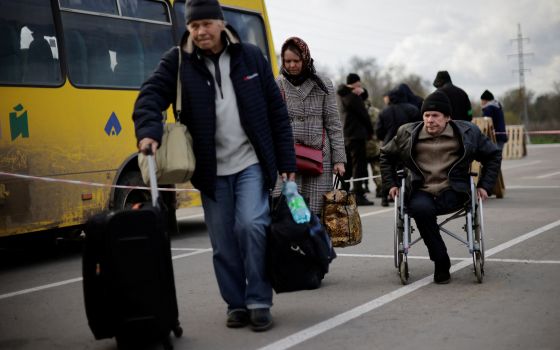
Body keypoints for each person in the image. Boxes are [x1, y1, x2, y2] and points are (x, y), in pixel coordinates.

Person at [132, 0, 296, 332]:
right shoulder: (178, 60)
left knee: (252, 226)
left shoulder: (251, 57)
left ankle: (259, 300)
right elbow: (150, 95)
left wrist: (286, 160)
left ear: (221, 23)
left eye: (206, 23)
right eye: (194, 26)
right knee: (223, 241)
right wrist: (149, 132)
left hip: (250, 162)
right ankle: (236, 303)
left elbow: (277, 112)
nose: (200, 31)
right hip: (211, 169)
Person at [380, 91, 502, 284]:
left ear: (447, 117)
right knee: (420, 210)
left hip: (454, 190)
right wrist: (392, 184)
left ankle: (441, 258)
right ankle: (441, 261)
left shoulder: (467, 132)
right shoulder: (407, 133)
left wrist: (485, 186)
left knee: (427, 210)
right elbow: (386, 155)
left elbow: (493, 155)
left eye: (435, 115)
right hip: (421, 189)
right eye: (426, 115)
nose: (430, 120)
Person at [273, 37, 346, 215]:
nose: (292, 65)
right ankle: (291, 243)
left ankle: (316, 242)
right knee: (288, 208)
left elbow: (333, 123)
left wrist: (339, 159)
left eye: (296, 61)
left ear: (305, 59)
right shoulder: (277, 84)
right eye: (287, 61)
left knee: (317, 210)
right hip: (287, 156)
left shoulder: (323, 84)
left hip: (318, 156)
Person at [375, 86, 421, 206]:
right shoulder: (413, 109)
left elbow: (379, 131)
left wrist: (385, 138)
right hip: (407, 144)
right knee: (406, 171)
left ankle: (385, 197)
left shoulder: (384, 111)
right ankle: (406, 195)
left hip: (388, 143)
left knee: (388, 170)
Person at [337, 73, 375, 206]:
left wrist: (362, 93)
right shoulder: (352, 97)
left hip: (344, 135)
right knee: (359, 165)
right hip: (356, 135)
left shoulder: (340, 95)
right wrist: (370, 131)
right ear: (356, 83)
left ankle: (343, 192)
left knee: (346, 165)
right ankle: (358, 194)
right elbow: (363, 114)